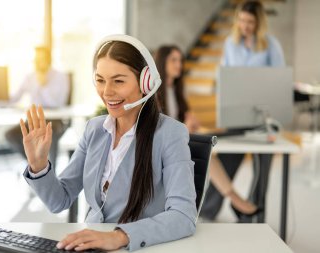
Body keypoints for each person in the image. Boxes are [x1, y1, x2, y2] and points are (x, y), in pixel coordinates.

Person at [19, 35, 197, 251]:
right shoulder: (95, 130)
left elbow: (183, 216)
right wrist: (39, 166)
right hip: (90, 247)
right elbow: (60, 200)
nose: (106, 91)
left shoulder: (170, 134)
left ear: (145, 83)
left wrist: (120, 237)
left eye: (118, 81)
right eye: (100, 80)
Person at [201, 0, 285, 221]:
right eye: (242, 20)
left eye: (250, 21)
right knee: (228, 160)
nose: (245, 25)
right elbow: (225, 77)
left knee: (262, 167)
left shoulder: (270, 45)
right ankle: (208, 209)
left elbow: (279, 80)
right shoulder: (231, 43)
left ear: (259, 23)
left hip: (262, 116)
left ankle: (251, 212)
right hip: (237, 112)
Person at [154, 45, 260, 218]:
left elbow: (179, 122)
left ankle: (228, 201)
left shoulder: (177, 91)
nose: (179, 64)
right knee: (206, 151)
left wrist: (190, 124)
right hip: (163, 145)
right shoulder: (155, 93)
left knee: (210, 148)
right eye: (173, 60)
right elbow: (158, 128)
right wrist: (183, 128)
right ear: (161, 62)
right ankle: (235, 199)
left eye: (180, 60)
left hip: (178, 140)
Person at [5, 46, 69, 168]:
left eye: (41, 60)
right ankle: (36, 162)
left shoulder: (61, 77)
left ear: (49, 60)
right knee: (11, 135)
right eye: (36, 60)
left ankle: (51, 173)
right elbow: (15, 98)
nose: (38, 63)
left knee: (50, 135)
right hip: (33, 121)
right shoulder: (30, 77)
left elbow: (60, 103)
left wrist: (43, 85)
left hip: (54, 122)